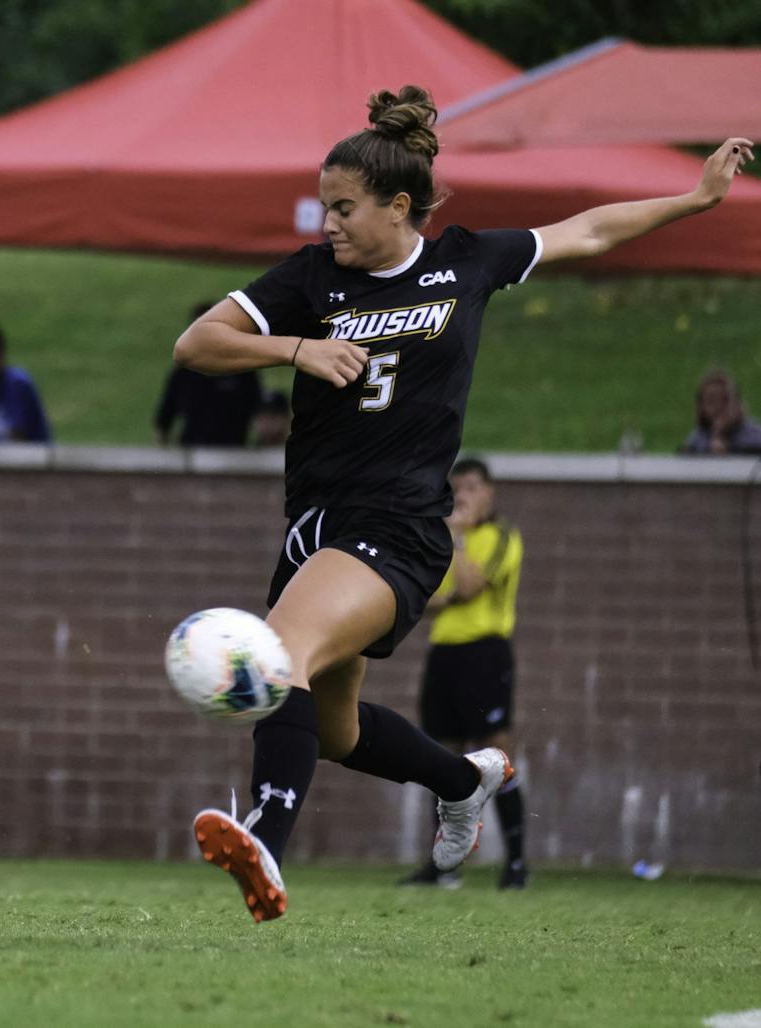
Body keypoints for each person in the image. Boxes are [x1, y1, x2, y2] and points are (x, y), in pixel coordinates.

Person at [174, 85, 751, 923]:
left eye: (343, 208)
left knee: (279, 657)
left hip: (401, 527)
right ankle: (462, 780)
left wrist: (694, 198)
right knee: (332, 733)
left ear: (398, 206)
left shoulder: (466, 262)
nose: (327, 223)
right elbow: (197, 345)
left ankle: (266, 833)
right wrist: (297, 349)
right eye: (325, 207)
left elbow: (585, 230)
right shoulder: (309, 280)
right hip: (313, 532)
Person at [400, 457, 528, 890]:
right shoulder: (441, 539)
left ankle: (516, 864)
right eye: (458, 488)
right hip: (444, 654)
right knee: (442, 758)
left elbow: (470, 587)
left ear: (490, 492)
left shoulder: (500, 536)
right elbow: (427, 601)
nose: (464, 496)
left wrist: (457, 536)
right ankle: (442, 866)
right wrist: (449, 582)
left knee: (497, 754)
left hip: (486, 655)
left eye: (473, 487)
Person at [156, 303, 262, 447]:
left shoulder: (242, 370)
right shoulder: (184, 373)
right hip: (193, 454)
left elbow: (260, 413)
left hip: (235, 454)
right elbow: (165, 419)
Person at [681, 368, 761, 455]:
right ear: (701, 407)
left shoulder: (756, 438)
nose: (718, 407)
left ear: (738, 403)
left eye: (725, 400)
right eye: (711, 401)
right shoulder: (695, 442)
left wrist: (728, 453)